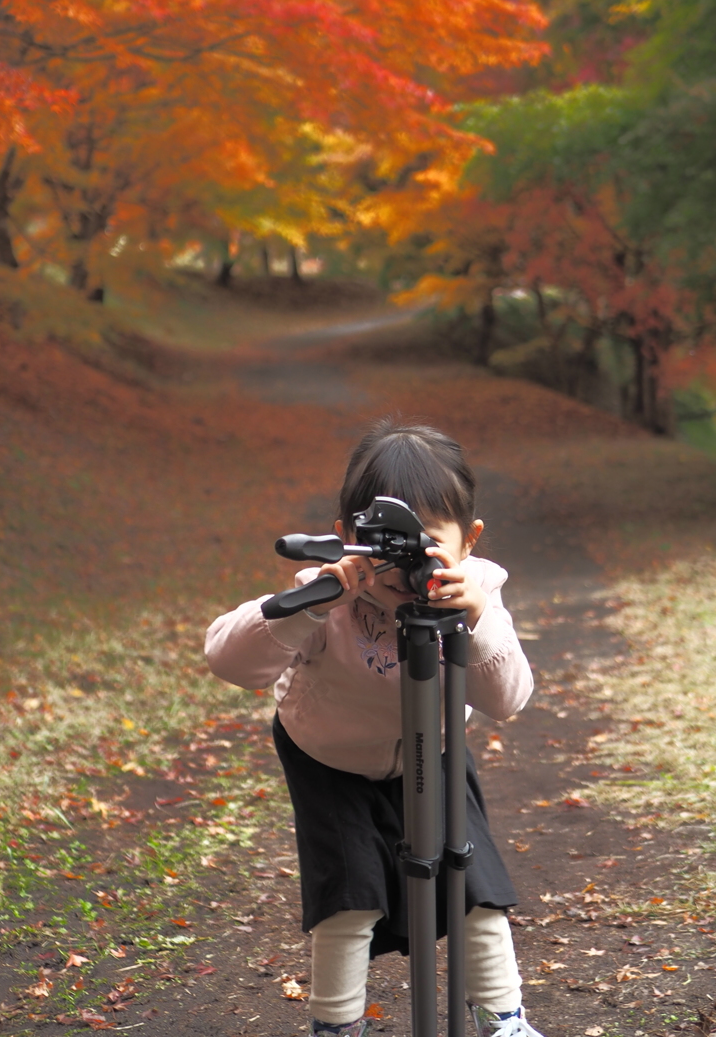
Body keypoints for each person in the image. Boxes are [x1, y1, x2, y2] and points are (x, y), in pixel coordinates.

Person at [204, 420, 542, 1037]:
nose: (400, 565)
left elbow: (508, 699)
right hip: (329, 759)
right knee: (349, 900)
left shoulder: (477, 596)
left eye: (422, 542)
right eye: (383, 542)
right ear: (343, 537)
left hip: (432, 751)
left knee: (475, 887)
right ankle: (337, 1025)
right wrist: (313, 603)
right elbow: (229, 661)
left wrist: (478, 620)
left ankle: (504, 1019)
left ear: (468, 541)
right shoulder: (325, 599)